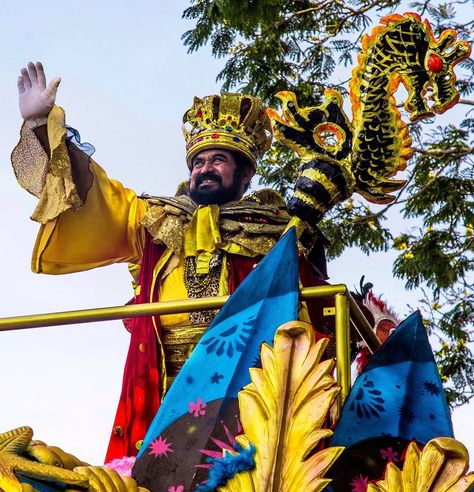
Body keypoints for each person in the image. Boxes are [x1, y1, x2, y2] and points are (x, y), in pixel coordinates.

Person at [13, 62, 332, 463]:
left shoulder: (276, 229)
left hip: (248, 373)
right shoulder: (154, 217)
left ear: (246, 173)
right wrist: (44, 125)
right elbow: (93, 193)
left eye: (218, 160)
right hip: (163, 373)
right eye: (198, 162)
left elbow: (313, 301)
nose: (204, 169)